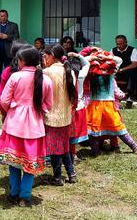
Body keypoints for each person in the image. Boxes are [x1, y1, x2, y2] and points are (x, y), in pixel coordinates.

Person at [0, 46, 53, 207]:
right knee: (30, 163)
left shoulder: (15, 77)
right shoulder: (46, 79)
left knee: (14, 161)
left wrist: (12, 111)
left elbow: (4, 100)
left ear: (23, 61)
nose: (17, 62)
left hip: (14, 124)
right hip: (35, 128)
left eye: (19, 59)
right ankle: (25, 196)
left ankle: (14, 193)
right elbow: (49, 104)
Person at [82, 47, 137, 155]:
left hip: (101, 104)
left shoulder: (103, 71)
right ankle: (96, 151)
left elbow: (119, 60)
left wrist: (99, 57)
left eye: (101, 56)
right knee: (102, 128)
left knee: (108, 127)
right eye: (97, 56)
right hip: (101, 104)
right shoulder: (98, 71)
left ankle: (133, 147)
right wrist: (99, 56)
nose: (99, 58)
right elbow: (118, 60)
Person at [42, 44, 78, 185]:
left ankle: (57, 177)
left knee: (54, 147)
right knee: (63, 146)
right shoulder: (68, 70)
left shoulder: (47, 72)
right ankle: (71, 173)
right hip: (65, 115)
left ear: (51, 55)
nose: (44, 59)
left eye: (45, 56)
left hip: (51, 116)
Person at [67, 52, 90, 163]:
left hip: (66, 107)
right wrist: (79, 55)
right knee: (74, 134)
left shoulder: (64, 74)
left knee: (67, 134)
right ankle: (73, 155)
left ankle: (67, 155)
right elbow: (87, 64)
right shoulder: (80, 75)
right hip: (79, 106)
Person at [0, 40, 29, 121]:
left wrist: (4, 113)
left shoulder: (7, 71)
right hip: (30, 115)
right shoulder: (35, 72)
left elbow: (2, 97)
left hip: (12, 114)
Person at [0, 10, 20, 92]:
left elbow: (17, 37)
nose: (3, 17)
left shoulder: (13, 25)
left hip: (9, 52)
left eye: (5, 16)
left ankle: (9, 89)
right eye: (1, 16)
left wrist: (7, 36)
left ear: (7, 16)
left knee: (9, 71)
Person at [112, 35, 137, 101]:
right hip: (117, 71)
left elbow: (134, 64)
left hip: (127, 71)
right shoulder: (113, 50)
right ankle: (111, 94)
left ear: (126, 42)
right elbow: (110, 62)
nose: (119, 46)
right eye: (117, 44)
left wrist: (122, 69)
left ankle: (130, 95)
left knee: (132, 72)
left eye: (121, 44)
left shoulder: (132, 50)